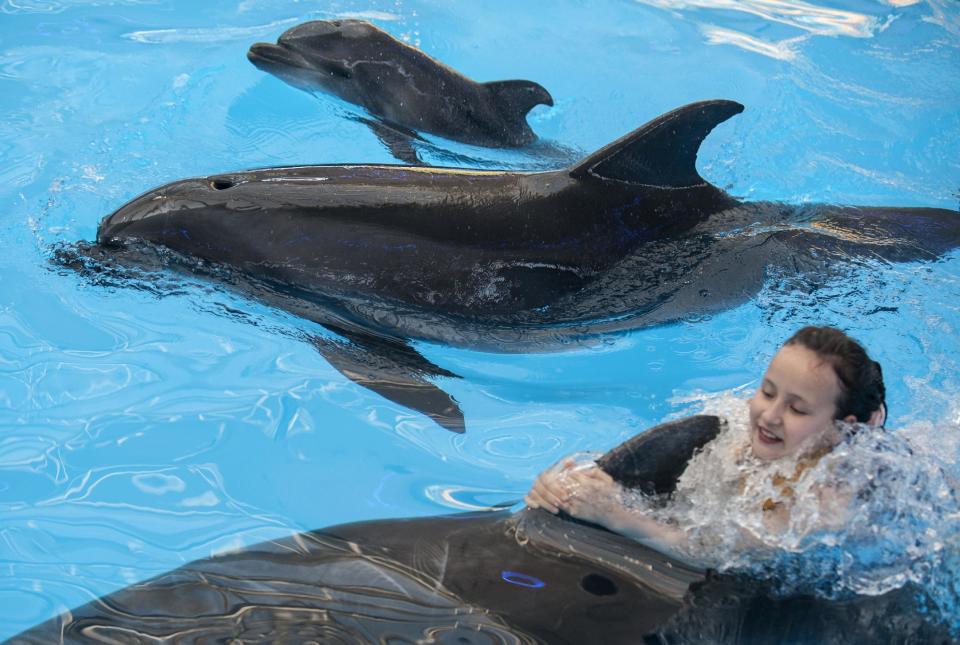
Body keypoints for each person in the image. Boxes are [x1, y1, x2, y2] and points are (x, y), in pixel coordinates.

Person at [524, 326, 887, 564]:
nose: (769, 416)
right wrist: (560, 486)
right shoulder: (729, 433)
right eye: (767, 392)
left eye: (796, 409)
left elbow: (719, 553)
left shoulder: (832, 498)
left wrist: (617, 516)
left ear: (839, 429)